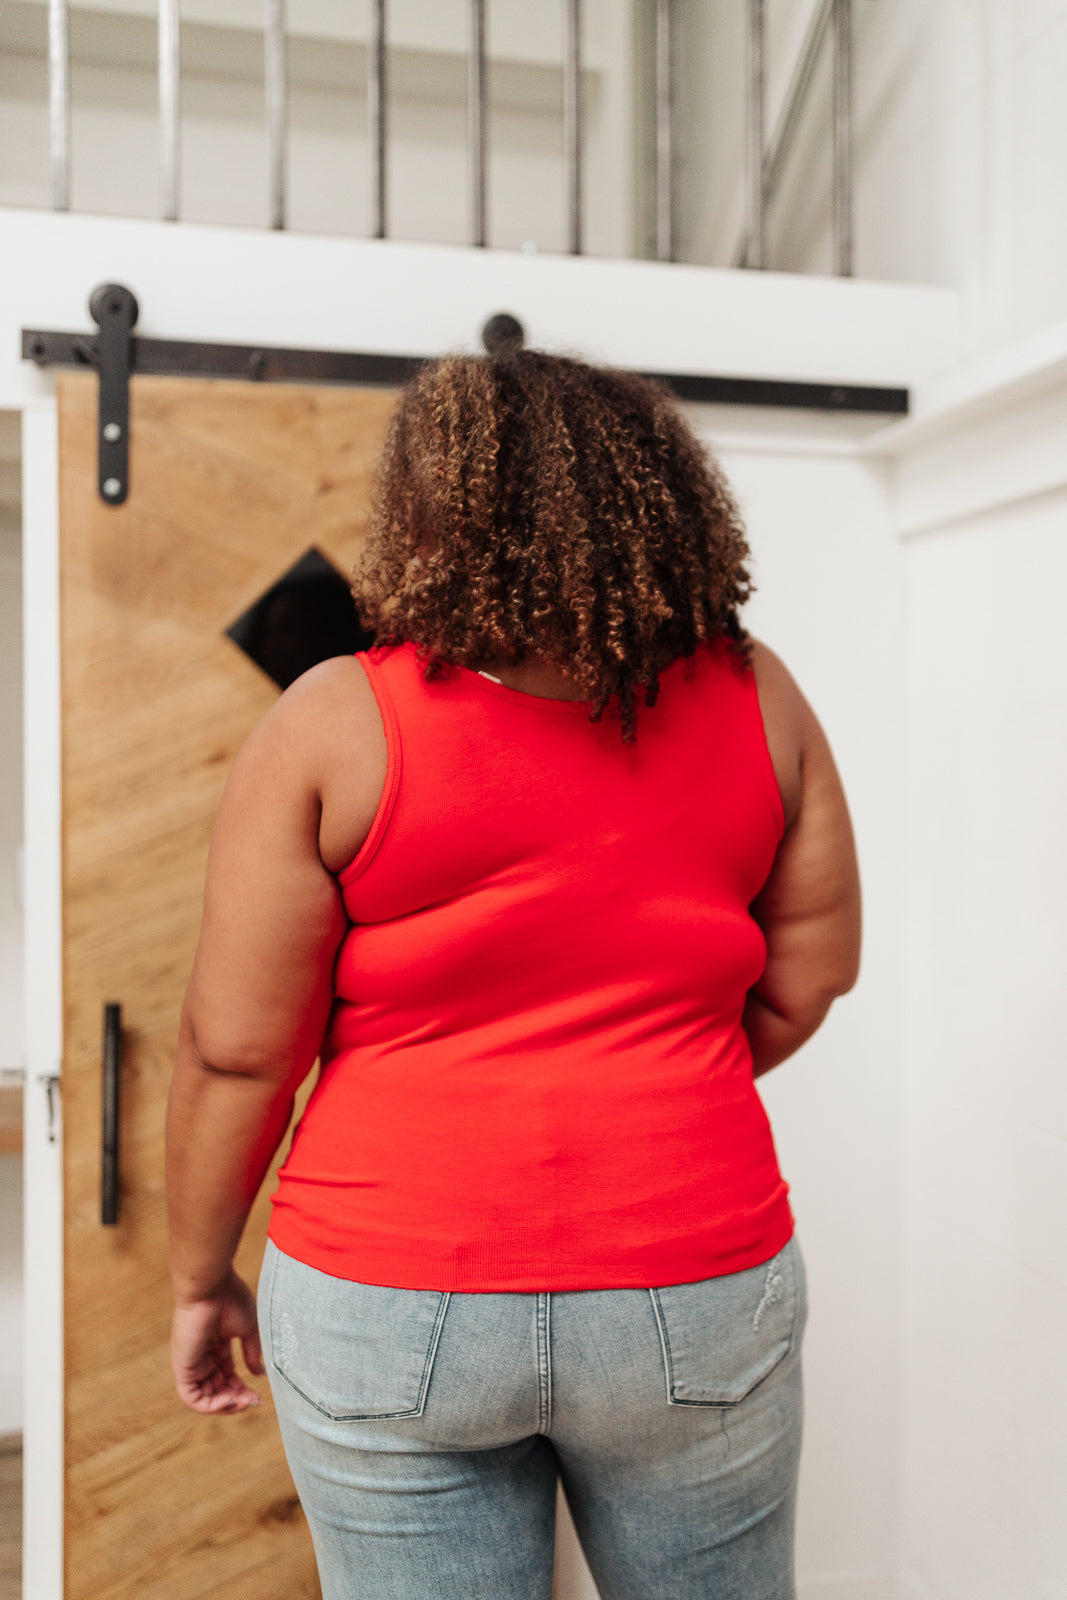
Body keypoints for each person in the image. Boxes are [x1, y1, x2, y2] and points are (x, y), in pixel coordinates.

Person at [166, 349, 861, 1600]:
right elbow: (807, 976)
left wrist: (198, 1273)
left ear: (429, 515)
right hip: (692, 1272)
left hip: (387, 1284)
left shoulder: (334, 721)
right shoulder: (759, 697)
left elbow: (237, 1051)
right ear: (660, 502)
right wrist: (649, 1079)